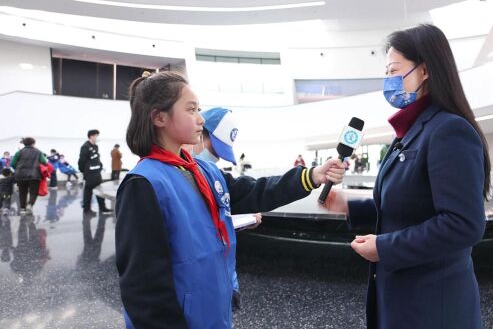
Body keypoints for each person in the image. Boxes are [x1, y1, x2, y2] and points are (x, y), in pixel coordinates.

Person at [115, 72, 345, 328]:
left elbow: (256, 191)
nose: (200, 118)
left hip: (212, 311)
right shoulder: (144, 184)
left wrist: (313, 176)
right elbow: (143, 285)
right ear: (159, 117)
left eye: (198, 109)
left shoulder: (204, 172)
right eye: (191, 110)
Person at [323, 24, 490, 329]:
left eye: (394, 70)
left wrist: (384, 248)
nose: (389, 80)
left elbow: (464, 223)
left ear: (424, 70)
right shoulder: (411, 132)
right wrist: (349, 205)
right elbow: (411, 203)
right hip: (402, 300)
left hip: (433, 308)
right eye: (386, 72)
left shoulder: (449, 131)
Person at [190, 106, 261, 312]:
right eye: (214, 151)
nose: (216, 159)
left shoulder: (215, 175)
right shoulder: (171, 178)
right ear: (200, 134)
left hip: (223, 284)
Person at [11, 137, 47, 215]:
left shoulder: (19, 152)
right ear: (33, 143)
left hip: (21, 176)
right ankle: (30, 204)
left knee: (22, 192)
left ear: (24, 144)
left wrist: (18, 169)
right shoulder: (38, 152)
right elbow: (44, 162)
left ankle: (23, 209)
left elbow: (12, 164)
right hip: (34, 175)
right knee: (33, 192)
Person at [78, 129, 108, 215]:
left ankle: (103, 208)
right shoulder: (85, 147)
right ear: (91, 136)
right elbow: (81, 161)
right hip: (90, 174)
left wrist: (100, 166)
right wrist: (83, 172)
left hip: (97, 173)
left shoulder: (95, 146)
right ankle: (87, 209)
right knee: (88, 192)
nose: (97, 137)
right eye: (96, 136)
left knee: (100, 190)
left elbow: (96, 158)